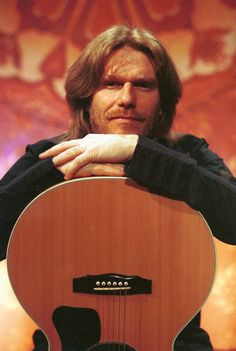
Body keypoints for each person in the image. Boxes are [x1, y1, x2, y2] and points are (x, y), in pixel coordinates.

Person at [0, 24, 235, 351]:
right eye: (111, 84)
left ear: (162, 101)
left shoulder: (189, 153)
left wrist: (137, 153)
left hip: (173, 342)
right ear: (85, 97)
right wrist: (56, 176)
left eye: (143, 85)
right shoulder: (49, 155)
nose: (127, 99)